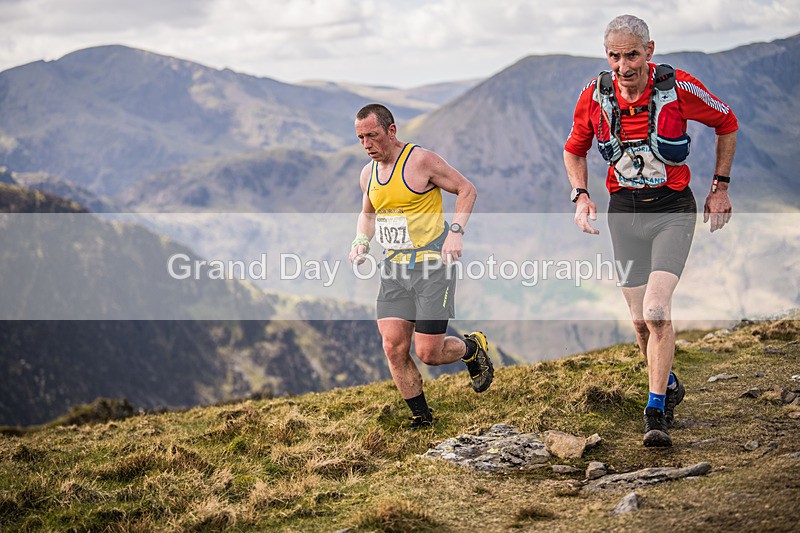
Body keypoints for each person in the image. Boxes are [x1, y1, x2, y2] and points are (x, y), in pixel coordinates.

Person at [563, 15, 738, 447]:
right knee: (640, 323)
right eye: (615, 56)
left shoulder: (677, 89)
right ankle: (669, 381)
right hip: (624, 212)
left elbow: (727, 122)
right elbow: (574, 150)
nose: (623, 66)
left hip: (672, 209)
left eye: (632, 54)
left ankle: (655, 410)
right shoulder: (594, 94)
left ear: (650, 51)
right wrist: (581, 195)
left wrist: (720, 187)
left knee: (657, 311)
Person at [349, 103, 494, 429]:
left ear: (391, 130)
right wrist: (361, 240)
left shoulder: (421, 161)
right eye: (360, 138)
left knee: (429, 352)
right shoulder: (367, 173)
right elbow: (369, 213)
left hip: (433, 267)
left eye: (372, 135)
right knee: (392, 346)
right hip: (394, 269)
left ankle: (472, 348)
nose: (367, 144)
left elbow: (466, 189)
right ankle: (421, 417)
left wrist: (455, 233)